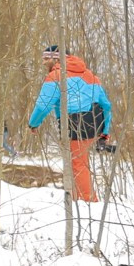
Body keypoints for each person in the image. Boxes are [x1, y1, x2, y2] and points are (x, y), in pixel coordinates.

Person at [28, 43, 115, 203]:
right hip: (96, 122)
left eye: (46, 58)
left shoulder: (55, 76)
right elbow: (107, 105)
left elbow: (42, 105)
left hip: (75, 122)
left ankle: (88, 202)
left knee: (78, 164)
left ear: (56, 59)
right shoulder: (89, 75)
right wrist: (104, 131)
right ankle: (77, 199)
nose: (43, 62)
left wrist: (33, 123)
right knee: (79, 163)